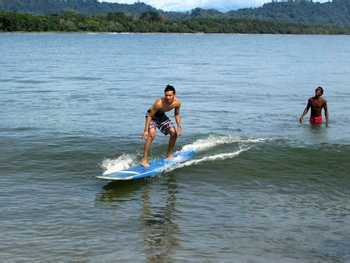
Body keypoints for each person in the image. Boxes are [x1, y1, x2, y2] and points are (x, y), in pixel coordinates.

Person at [141, 85, 182, 167]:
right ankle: (144, 160)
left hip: (161, 116)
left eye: (170, 95)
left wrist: (179, 126)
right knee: (152, 134)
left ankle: (169, 155)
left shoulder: (177, 102)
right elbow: (149, 115)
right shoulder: (159, 103)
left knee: (174, 133)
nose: (168, 97)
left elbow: (177, 114)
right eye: (166, 95)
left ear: (174, 94)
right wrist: (145, 130)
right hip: (152, 117)